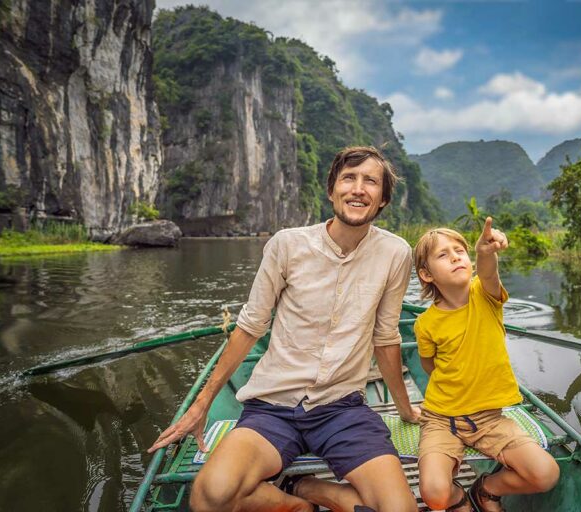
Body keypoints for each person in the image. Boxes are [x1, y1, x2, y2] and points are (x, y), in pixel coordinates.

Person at [149, 146, 421, 512]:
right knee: (210, 496)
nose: (358, 189)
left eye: (370, 181)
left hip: (343, 409)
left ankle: (311, 489)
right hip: (272, 407)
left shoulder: (395, 253)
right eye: (349, 179)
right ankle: (294, 504)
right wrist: (202, 404)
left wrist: (405, 409)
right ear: (331, 190)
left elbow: (386, 337)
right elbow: (250, 326)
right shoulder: (288, 244)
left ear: (383, 198)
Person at [413, 220, 560, 512]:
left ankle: (486, 489)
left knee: (546, 474)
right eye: (443, 255)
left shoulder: (485, 296)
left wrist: (485, 252)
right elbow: (430, 367)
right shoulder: (425, 324)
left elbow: (489, 272)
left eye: (460, 251)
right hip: (441, 419)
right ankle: (458, 500)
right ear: (426, 274)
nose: (455, 257)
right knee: (434, 493)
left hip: (490, 420)